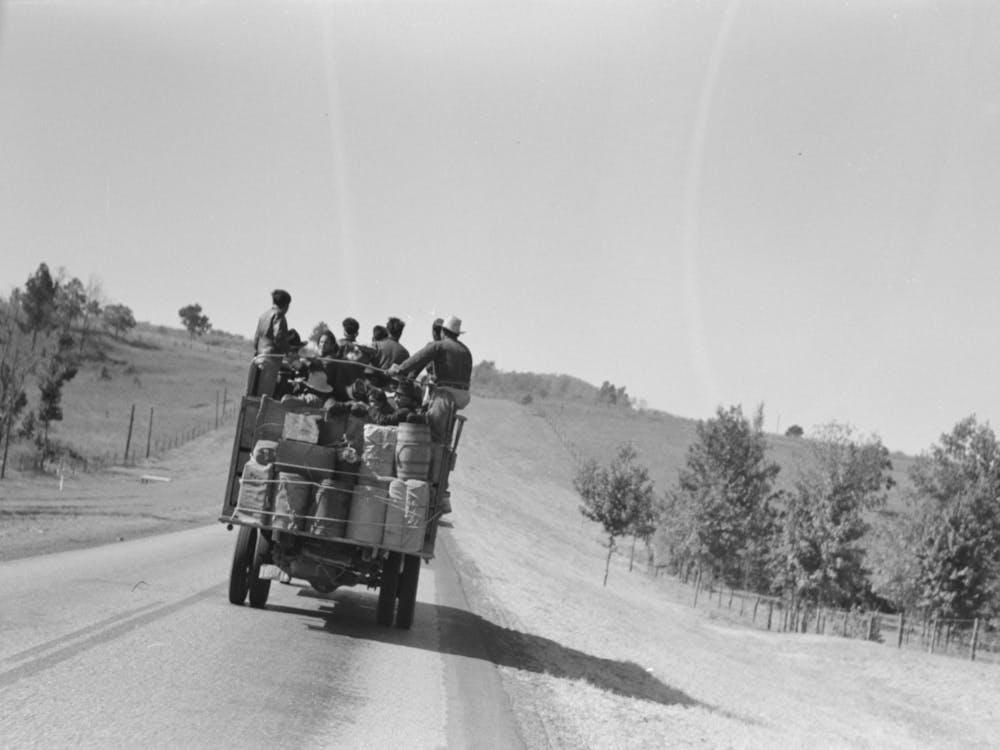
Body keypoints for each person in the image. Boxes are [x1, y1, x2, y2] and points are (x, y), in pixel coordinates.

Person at [388, 315, 471, 444]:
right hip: (464, 397)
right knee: (445, 430)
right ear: (457, 334)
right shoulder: (466, 350)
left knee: (433, 432)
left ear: (443, 331)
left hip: (445, 393)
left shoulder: (439, 346)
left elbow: (417, 359)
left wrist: (398, 370)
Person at [251, 289, 291, 396]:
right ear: (287, 305)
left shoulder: (263, 316)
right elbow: (279, 337)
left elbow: (256, 340)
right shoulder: (279, 315)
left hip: (258, 359)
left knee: (254, 394)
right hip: (271, 361)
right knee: (265, 396)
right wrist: (288, 352)